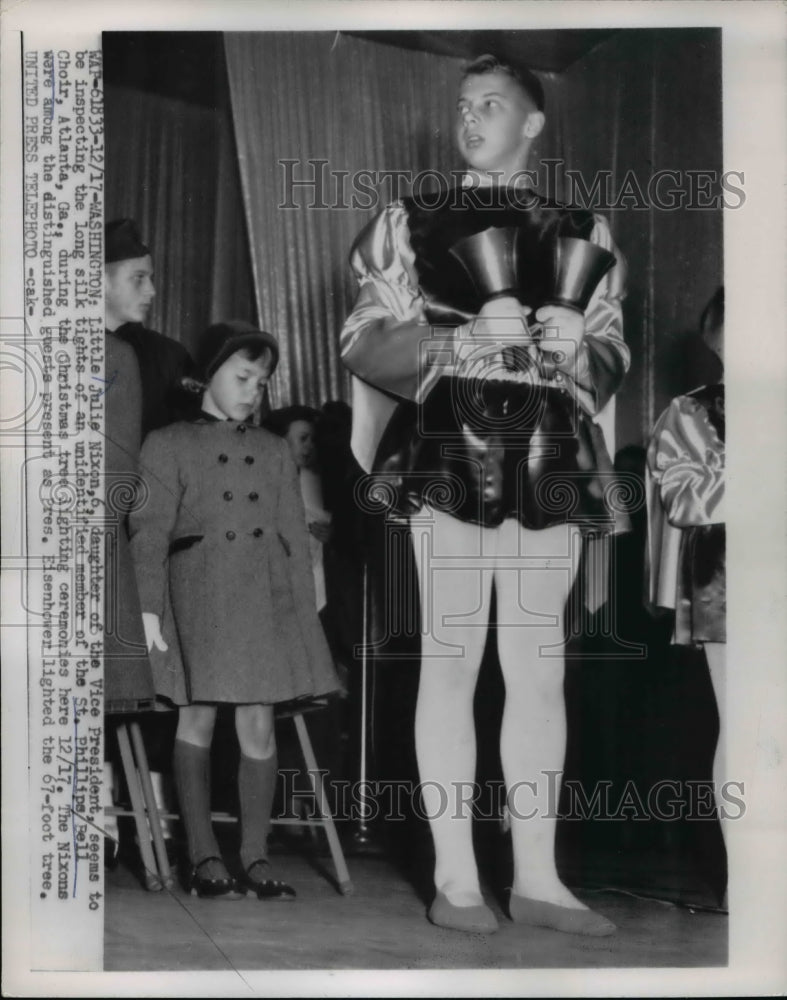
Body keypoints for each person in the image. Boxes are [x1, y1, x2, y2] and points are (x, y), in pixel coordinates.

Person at [340, 55, 629, 934]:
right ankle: (457, 879)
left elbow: (611, 351)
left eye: (492, 105)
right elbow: (363, 337)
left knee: (539, 670)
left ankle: (537, 879)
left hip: (547, 452)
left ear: (532, 123)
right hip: (449, 451)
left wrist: (577, 346)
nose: (470, 119)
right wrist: (459, 341)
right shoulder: (407, 218)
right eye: (464, 105)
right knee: (451, 659)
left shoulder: (584, 226)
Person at [130, 320, 339, 899]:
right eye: (242, 377)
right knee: (196, 717)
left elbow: (294, 540)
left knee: (258, 723)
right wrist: (148, 612)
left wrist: (303, 622)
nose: (253, 391)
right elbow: (148, 533)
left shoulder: (275, 451)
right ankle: (202, 856)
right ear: (206, 377)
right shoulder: (167, 443)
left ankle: (254, 854)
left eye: (262, 382)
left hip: (262, 600)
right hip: (197, 597)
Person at [104, 218, 196, 862]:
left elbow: (122, 472)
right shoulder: (109, 353)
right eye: (139, 278)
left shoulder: (127, 356)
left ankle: (101, 834)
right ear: (98, 280)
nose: (152, 291)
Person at [646, 288, 726, 884]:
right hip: (729, 582)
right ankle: (747, 874)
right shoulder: (689, 412)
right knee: (745, 725)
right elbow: (684, 501)